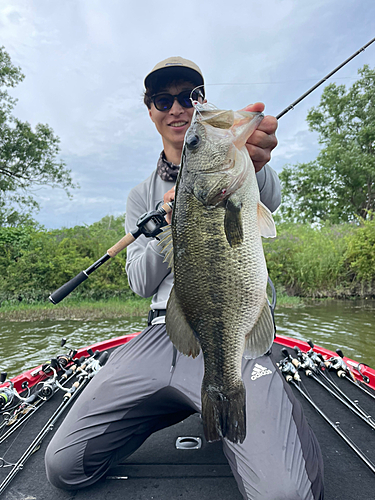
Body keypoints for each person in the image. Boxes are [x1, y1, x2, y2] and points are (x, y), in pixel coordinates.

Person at [45, 57, 324, 499]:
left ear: (201, 103)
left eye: (189, 98)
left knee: (284, 495)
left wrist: (254, 158)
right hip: (164, 332)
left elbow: (265, 194)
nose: (177, 108)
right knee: (64, 467)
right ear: (151, 110)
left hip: (234, 329)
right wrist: (166, 226)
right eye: (163, 99)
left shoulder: (239, 171)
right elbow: (139, 281)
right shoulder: (141, 195)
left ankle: (251, 401)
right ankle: (172, 402)